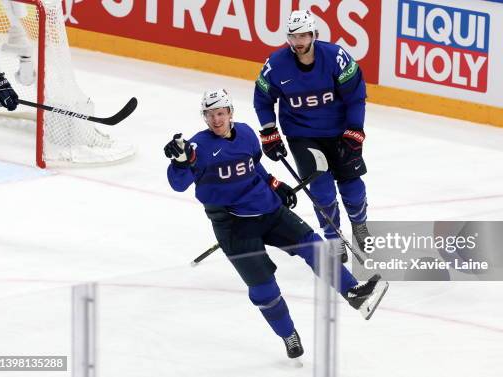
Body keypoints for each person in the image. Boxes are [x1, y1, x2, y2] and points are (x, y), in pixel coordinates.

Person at [165, 89, 387, 360]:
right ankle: (288, 334)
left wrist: (274, 183)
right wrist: (179, 161)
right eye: (210, 114)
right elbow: (178, 184)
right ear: (204, 117)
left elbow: (254, 167)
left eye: (220, 113)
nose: (216, 119)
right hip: (233, 227)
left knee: (314, 246)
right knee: (264, 289)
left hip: (269, 210)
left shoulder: (246, 133)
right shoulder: (197, 148)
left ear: (230, 113)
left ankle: (354, 291)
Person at [253, 9, 371, 262]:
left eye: (304, 35)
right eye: (294, 37)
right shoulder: (275, 65)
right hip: (303, 135)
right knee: (322, 191)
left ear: (314, 35)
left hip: (340, 132)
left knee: (352, 187)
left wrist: (355, 129)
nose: (299, 42)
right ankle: (334, 237)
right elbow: (262, 100)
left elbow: (356, 95)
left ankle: (360, 225)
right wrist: (269, 130)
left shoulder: (336, 57)